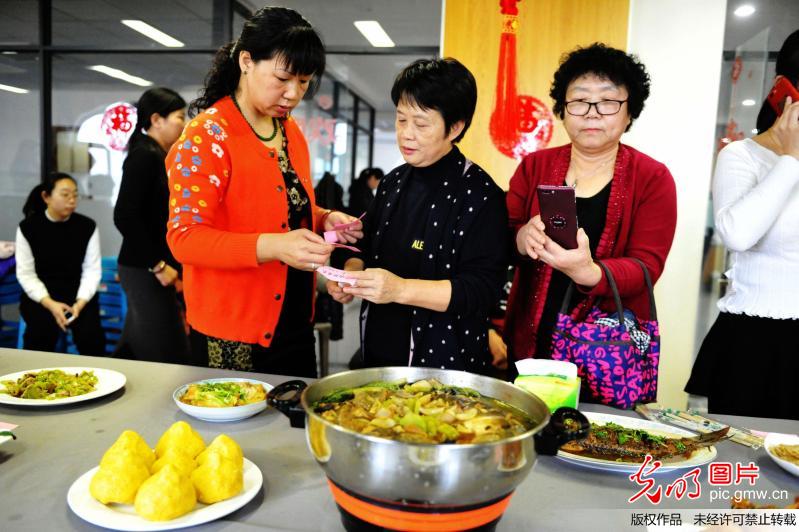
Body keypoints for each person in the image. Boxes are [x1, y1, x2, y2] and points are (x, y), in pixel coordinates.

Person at [165, 6, 362, 378]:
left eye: (304, 82)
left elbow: (284, 207)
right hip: (233, 330)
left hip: (293, 319)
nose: (293, 94)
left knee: (291, 427)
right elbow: (184, 238)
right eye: (283, 78)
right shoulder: (207, 136)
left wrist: (325, 218)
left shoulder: (288, 131)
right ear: (246, 62)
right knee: (235, 433)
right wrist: (276, 246)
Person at [504, 43, 677, 379]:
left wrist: (589, 272)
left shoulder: (653, 177)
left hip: (609, 353)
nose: (593, 112)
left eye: (609, 101)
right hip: (531, 346)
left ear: (629, 111)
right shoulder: (533, 166)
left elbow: (647, 267)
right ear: (563, 109)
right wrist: (523, 237)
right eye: (580, 100)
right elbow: (502, 235)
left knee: (598, 432)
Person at [327, 58, 508, 375]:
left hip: (445, 363)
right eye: (400, 120)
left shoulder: (481, 195)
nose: (406, 134)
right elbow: (362, 244)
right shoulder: (393, 182)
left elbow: (481, 289)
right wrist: (350, 276)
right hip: (379, 350)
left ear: (455, 127)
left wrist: (399, 289)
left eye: (421, 124)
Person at [686, 31, 799, 420]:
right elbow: (737, 233)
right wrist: (792, 158)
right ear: (784, 92)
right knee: (744, 472)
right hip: (754, 343)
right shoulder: (742, 157)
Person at [114, 87, 189, 363]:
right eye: (179, 117)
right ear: (157, 119)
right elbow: (124, 216)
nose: (184, 124)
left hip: (147, 266)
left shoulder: (157, 154)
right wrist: (157, 265)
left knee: (138, 341)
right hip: (145, 267)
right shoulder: (144, 156)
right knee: (168, 348)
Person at [15, 173, 105, 355]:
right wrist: (50, 304)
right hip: (42, 297)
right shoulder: (28, 227)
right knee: (40, 335)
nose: (72, 200)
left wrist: (79, 304)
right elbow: (26, 274)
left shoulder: (87, 226)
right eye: (65, 194)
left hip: (78, 295)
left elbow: (92, 271)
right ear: (46, 197)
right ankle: (37, 380)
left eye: (75, 195)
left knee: (92, 339)